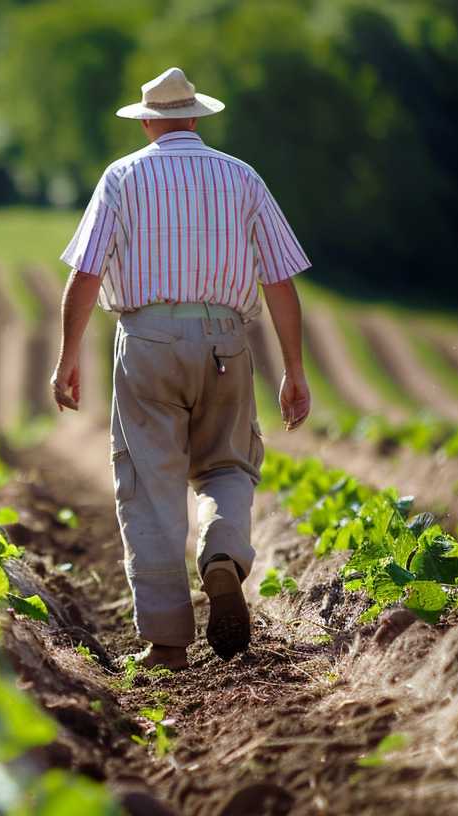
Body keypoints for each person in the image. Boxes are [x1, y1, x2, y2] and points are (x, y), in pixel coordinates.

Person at [49, 67, 311, 670]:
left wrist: (67, 357)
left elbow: (86, 274)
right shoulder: (242, 177)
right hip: (225, 339)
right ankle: (222, 556)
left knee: (149, 485)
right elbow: (279, 280)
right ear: (196, 117)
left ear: (146, 123)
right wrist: (294, 371)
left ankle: (167, 642)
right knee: (227, 465)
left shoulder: (122, 177)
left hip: (147, 341)